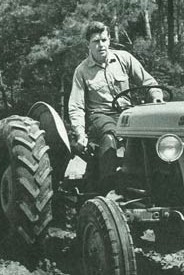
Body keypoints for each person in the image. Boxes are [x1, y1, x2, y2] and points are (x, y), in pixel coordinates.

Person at [68, 21, 163, 193]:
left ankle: (155, 185)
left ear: (109, 39)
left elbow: (148, 82)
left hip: (128, 115)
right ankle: (109, 187)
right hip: (100, 116)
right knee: (110, 134)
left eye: (104, 40)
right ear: (88, 44)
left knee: (155, 134)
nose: (101, 45)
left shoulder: (124, 58)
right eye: (96, 41)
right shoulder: (81, 71)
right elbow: (76, 107)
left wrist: (156, 97)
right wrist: (80, 133)